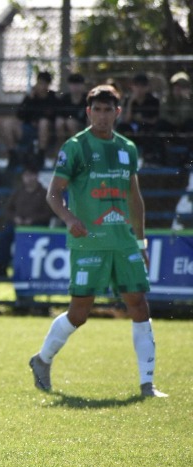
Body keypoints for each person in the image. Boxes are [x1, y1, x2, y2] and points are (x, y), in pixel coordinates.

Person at [29, 84, 167, 398]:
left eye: (108, 110)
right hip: (89, 242)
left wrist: (141, 242)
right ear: (88, 111)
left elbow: (135, 198)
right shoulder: (76, 147)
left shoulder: (127, 148)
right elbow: (53, 194)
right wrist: (69, 219)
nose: (102, 116)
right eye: (97, 110)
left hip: (123, 242)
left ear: (118, 113)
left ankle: (147, 384)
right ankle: (42, 359)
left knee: (139, 304)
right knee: (80, 313)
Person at [0, 158, 53, 278]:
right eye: (26, 175)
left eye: (31, 175)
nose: (29, 178)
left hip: (36, 227)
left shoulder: (44, 193)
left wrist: (33, 220)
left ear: (37, 176)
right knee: (5, 235)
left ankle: (28, 271)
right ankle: (0, 268)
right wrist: (15, 218)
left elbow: (48, 214)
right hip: (17, 225)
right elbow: (8, 210)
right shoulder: (18, 192)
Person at [2, 71, 59, 168]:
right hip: (27, 128)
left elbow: (52, 116)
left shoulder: (52, 98)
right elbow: (20, 115)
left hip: (44, 130)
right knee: (7, 124)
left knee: (43, 123)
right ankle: (13, 156)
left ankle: (41, 156)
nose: (41, 86)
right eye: (39, 83)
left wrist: (38, 120)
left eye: (44, 83)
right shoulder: (31, 97)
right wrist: (30, 99)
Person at [117, 73, 161, 164]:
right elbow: (126, 120)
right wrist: (130, 102)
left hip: (146, 131)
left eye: (143, 86)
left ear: (147, 87)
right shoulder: (127, 100)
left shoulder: (153, 101)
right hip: (132, 131)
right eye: (137, 85)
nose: (139, 89)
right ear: (132, 86)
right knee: (121, 128)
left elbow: (155, 120)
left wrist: (142, 120)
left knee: (148, 130)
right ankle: (123, 160)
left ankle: (148, 159)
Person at [55, 73, 88, 144]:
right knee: (59, 122)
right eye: (73, 84)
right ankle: (61, 146)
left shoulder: (88, 99)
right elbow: (59, 115)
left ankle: (77, 147)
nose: (75, 87)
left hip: (84, 126)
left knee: (71, 123)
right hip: (65, 126)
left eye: (78, 84)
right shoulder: (64, 99)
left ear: (83, 85)